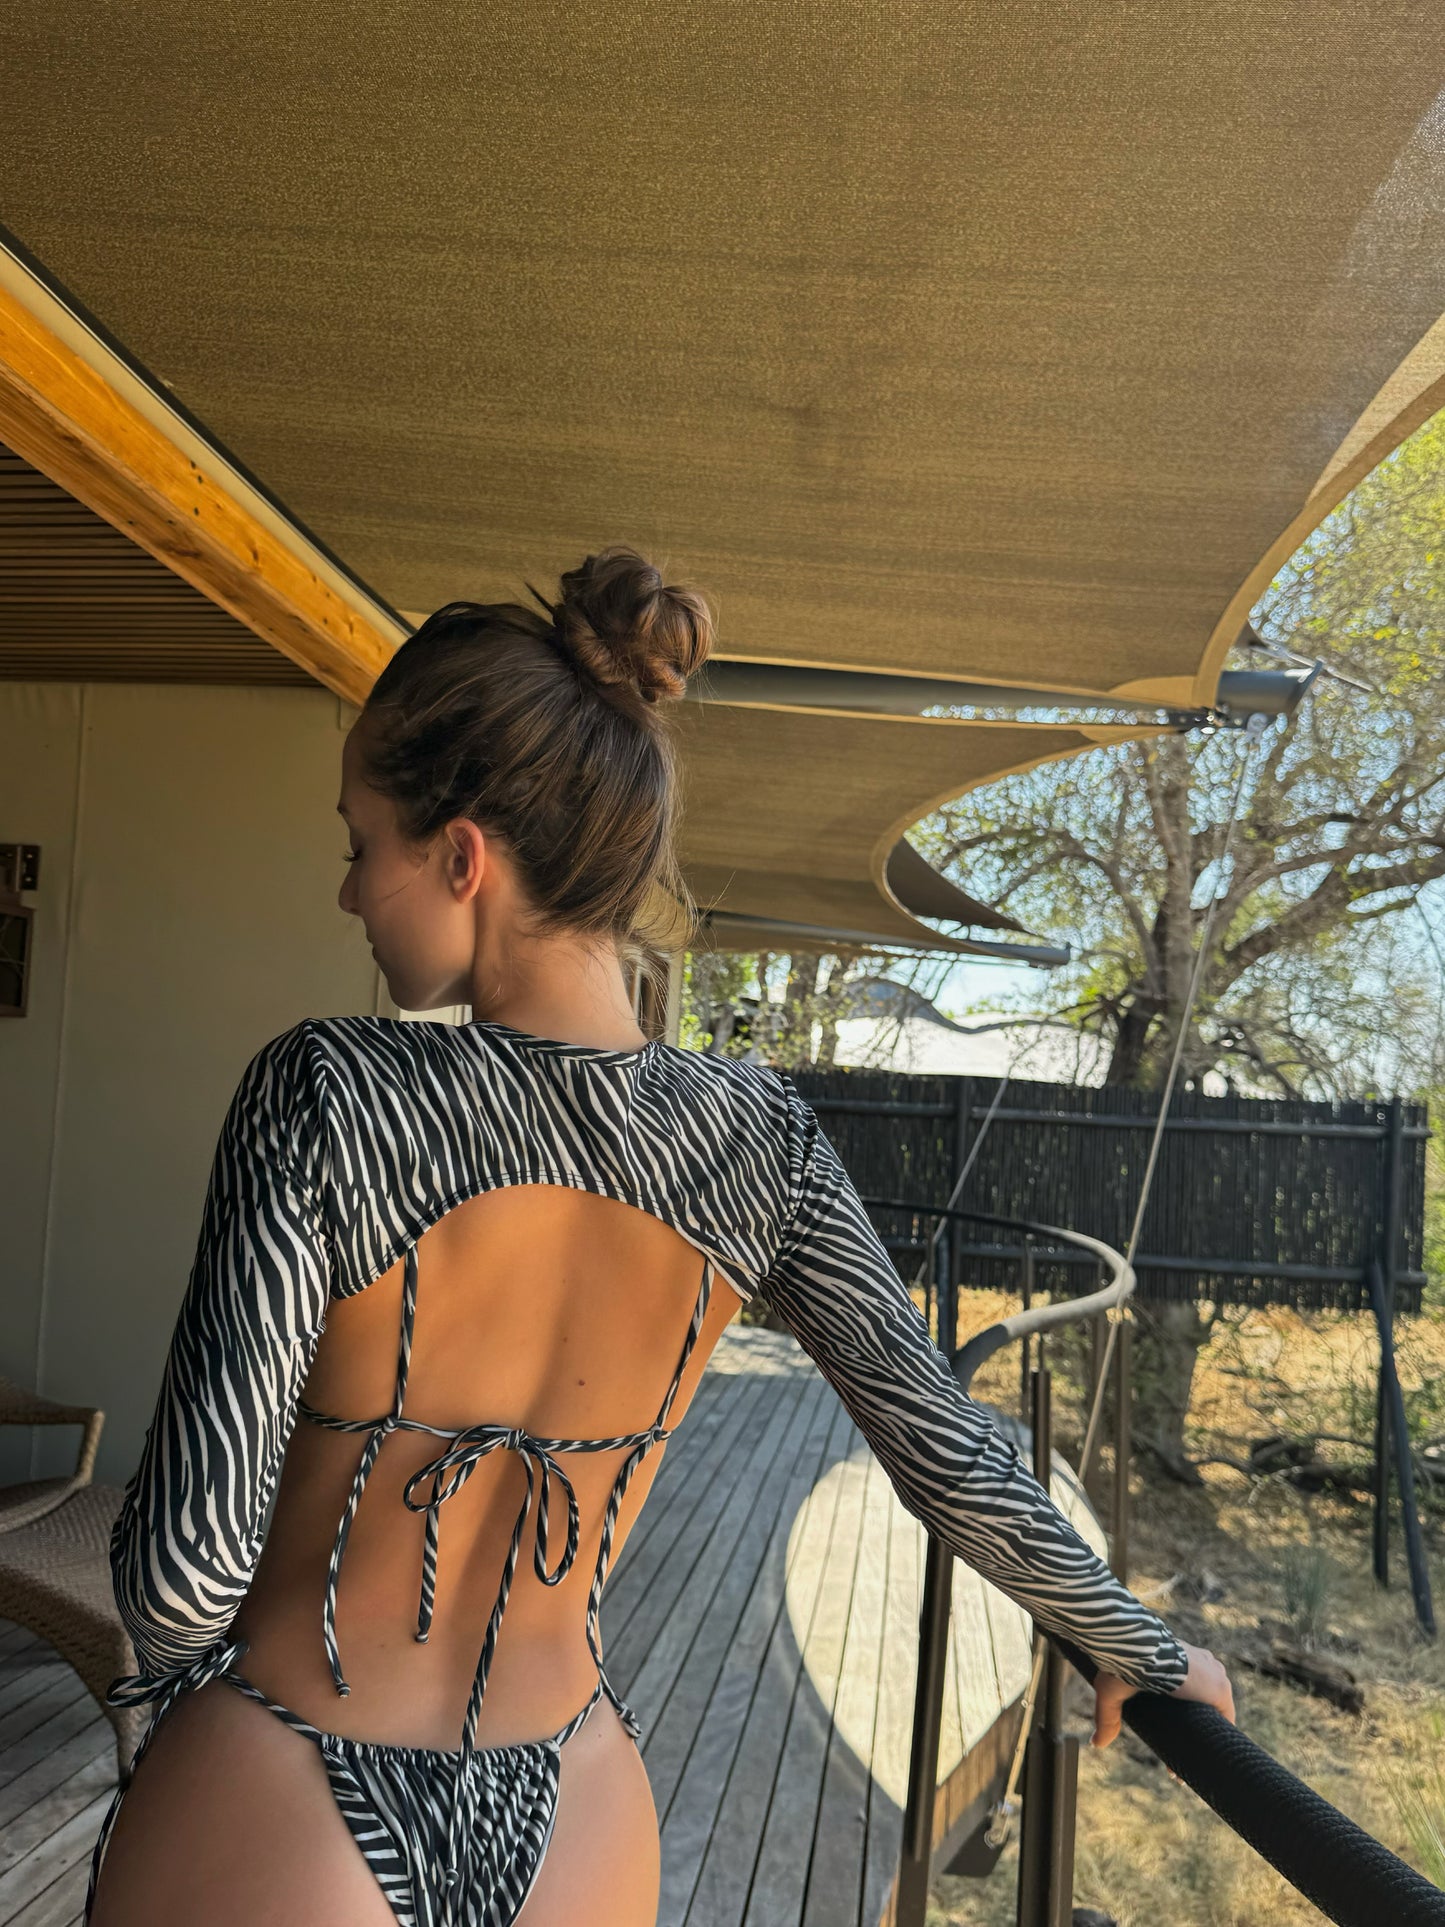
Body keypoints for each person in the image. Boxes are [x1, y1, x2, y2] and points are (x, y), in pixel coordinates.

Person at [85, 546, 1233, 1927]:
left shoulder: (329, 1090)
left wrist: (155, 1736)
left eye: (360, 845)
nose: (347, 895)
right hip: (576, 1797)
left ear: (462, 857)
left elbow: (185, 1567)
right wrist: (1139, 1647)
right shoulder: (760, 1139)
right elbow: (943, 1447)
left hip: (282, 1784)